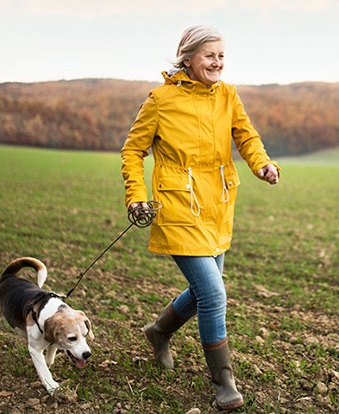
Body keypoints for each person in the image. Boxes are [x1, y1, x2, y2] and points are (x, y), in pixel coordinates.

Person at [120, 25, 279, 410]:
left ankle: (158, 332)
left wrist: (261, 164)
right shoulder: (160, 100)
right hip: (176, 207)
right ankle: (223, 380)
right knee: (212, 294)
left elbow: (247, 136)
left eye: (221, 56)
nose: (218, 62)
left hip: (217, 205)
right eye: (210, 56)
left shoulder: (228, 95)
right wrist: (136, 196)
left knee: (204, 291)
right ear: (188, 58)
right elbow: (132, 151)